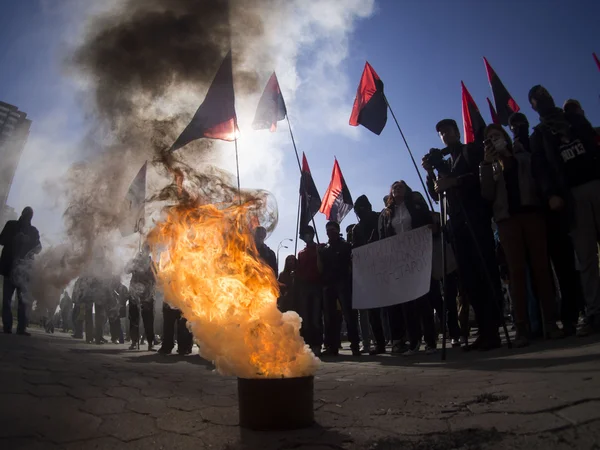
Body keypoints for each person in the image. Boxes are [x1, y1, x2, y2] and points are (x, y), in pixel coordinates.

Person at [423, 119, 503, 350]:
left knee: (484, 271)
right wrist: (431, 173)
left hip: (476, 217)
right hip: (456, 223)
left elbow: (479, 176)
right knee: (468, 278)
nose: (444, 135)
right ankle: (484, 330)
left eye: (447, 130)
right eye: (440, 133)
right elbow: (438, 194)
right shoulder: (445, 162)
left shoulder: (471, 150)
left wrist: (453, 179)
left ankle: (492, 328)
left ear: (457, 132)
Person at [480, 124, 563, 346]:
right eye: (489, 139)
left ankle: (550, 322)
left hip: (532, 214)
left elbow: (536, 178)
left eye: (497, 136)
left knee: (541, 268)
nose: (494, 140)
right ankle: (521, 327)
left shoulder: (523, 156)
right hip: (507, 220)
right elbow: (487, 194)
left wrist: (510, 154)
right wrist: (487, 164)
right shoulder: (489, 166)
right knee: (516, 273)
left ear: (505, 137)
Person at [528, 86, 600, 336]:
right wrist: (551, 194)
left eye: (545, 93)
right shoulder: (539, 134)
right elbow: (541, 168)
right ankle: (594, 312)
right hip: (571, 195)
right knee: (587, 255)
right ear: (533, 106)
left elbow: (592, 143)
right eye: (537, 98)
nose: (543, 98)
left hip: (595, 182)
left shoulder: (574, 119)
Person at [509, 112, 584, 336]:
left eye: (520, 123)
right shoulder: (512, 150)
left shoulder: (538, 141)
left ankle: (571, 316)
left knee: (564, 265)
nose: (517, 127)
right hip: (530, 214)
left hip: (549, 211)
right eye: (513, 125)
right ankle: (540, 321)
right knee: (537, 272)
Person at [379, 181, 437, 355]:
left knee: (423, 300)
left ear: (406, 190)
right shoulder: (387, 214)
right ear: (391, 192)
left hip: (418, 256)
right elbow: (383, 236)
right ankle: (413, 342)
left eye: (401, 186)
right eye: (394, 187)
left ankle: (431, 341)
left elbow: (428, 223)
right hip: (400, 260)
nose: (397, 189)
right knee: (407, 303)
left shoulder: (416, 206)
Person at [318, 221, 360, 356]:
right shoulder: (324, 249)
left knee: (349, 315)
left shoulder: (347, 246)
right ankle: (332, 346)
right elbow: (321, 269)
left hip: (343, 283)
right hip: (329, 285)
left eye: (332, 229)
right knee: (330, 317)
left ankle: (355, 345)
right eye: (327, 230)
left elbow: (353, 264)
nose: (329, 232)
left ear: (337, 230)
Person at [351, 195, 387, 355]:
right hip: (369, 272)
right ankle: (379, 343)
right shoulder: (357, 229)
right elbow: (356, 249)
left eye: (363, 208)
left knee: (391, 307)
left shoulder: (381, 218)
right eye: (358, 209)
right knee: (373, 312)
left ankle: (399, 339)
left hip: (387, 267)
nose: (360, 211)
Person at [0, 207, 41, 335]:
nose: (27, 217)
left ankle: (21, 328)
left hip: (24, 271)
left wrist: (28, 242)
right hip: (9, 268)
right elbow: (1, 240)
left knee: (23, 301)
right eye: (27, 214)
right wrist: (14, 239)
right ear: (23, 214)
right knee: (7, 299)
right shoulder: (11, 225)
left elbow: (38, 248)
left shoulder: (33, 231)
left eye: (30, 215)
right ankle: (7, 326)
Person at [295, 226, 324, 356]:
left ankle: (317, 344)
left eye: (309, 233)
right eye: (305, 234)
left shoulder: (320, 248)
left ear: (313, 234)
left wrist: (319, 253)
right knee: (305, 318)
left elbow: (322, 268)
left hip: (316, 285)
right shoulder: (301, 253)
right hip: (304, 288)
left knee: (315, 317)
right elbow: (300, 270)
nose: (307, 236)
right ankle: (307, 344)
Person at [126, 244, 156, 351]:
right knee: (133, 317)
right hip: (134, 292)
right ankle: (134, 341)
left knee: (148, 319)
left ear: (149, 252)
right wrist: (133, 262)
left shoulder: (152, 263)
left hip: (147, 294)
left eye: (147, 250)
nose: (145, 252)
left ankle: (150, 342)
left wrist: (151, 290)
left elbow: (156, 278)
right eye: (143, 250)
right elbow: (126, 270)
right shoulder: (135, 261)